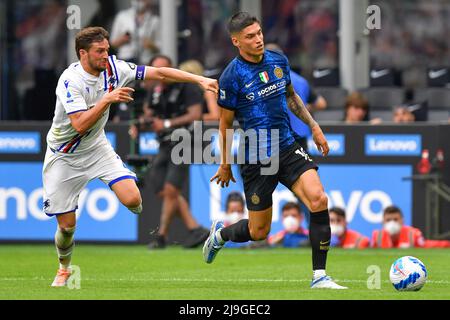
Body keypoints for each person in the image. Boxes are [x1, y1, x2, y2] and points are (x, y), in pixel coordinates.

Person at [43, 27, 218, 287]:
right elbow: (79, 124)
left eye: (107, 50)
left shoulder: (115, 68)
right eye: (99, 51)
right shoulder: (70, 80)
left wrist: (199, 80)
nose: (106, 55)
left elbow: (158, 72)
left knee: (133, 199)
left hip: (96, 148)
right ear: (83, 53)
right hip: (63, 156)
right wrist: (107, 100)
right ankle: (64, 267)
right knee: (67, 227)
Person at [203, 12, 347, 289]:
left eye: (259, 33)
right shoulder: (231, 77)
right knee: (259, 231)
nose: (258, 40)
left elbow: (291, 96)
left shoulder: (278, 61)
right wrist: (224, 163)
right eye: (250, 37)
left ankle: (319, 276)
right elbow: (225, 124)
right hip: (255, 157)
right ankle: (221, 235)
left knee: (318, 199)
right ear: (236, 41)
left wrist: (314, 126)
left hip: (287, 145)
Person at [137, 55, 210, 249]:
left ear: (172, 69)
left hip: (185, 140)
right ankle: (195, 228)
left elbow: (196, 115)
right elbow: (150, 113)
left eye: (163, 70)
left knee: (171, 190)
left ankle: (161, 236)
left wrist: (166, 123)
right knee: (160, 188)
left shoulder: (188, 86)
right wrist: (142, 121)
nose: (160, 76)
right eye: (156, 71)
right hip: (164, 142)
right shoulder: (156, 90)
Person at [371, 205, 450, 248]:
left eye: (395, 219)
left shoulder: (413, 234)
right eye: (388, 220)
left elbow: (427, 245)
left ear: (402, 220)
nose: (392, 223)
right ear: (382, 222)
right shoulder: (377, 236)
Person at [110, 0, 160, 64]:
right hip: (125, 59)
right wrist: (122, 39)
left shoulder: (154, 20)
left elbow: (161, 45)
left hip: (145, 60)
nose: (139, 2)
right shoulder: (122, 16)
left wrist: (151, 45)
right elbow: (112, 43)